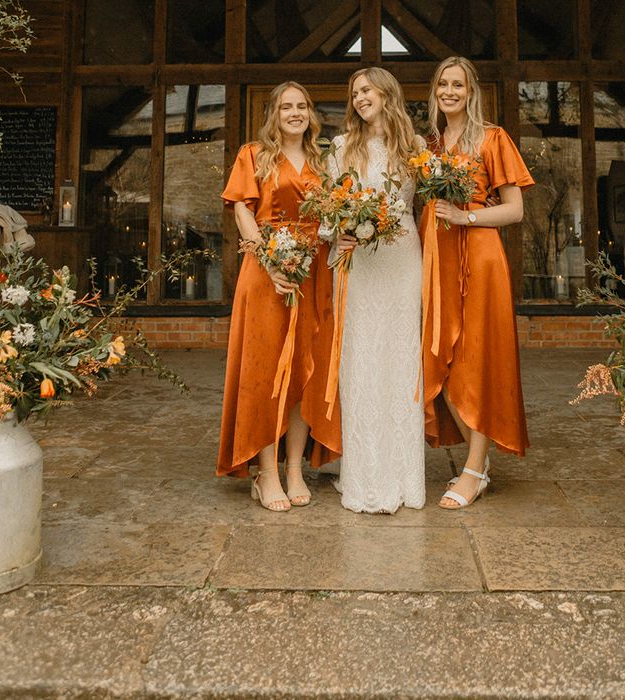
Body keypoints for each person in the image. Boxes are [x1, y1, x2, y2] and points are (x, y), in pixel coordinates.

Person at [216, 81, 340, 511]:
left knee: (306, 372)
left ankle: (293, 468)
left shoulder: (324, 161)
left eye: (302, 105)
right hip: (267, 270)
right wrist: (269, 259)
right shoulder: (253, 154)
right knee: (266, 371)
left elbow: (334, 215)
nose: (295, 112)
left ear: (310, 113)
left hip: (313, 274)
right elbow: (242, 210)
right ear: (273, 113)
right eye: (287, 106)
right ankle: (265, 473)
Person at [420, 56, 534, 509]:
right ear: (434, 91)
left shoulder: (492, 137)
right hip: (438, 262)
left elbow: (515, 209)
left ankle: (472, 469)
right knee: (440, 366)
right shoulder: (429, 144)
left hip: (481, 259)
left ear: (471, 92)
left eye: (458, 85)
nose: (449, 91)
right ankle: (479, 460)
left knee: (478, 362)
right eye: (443, 84)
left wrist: (465, 215)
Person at [328, 67, 425, 513]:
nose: (360, 98)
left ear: (387, 93)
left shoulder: (417, 148)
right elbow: (329, 213)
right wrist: (340, 233)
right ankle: (364, 475)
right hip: (361, 263)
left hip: (403, 256)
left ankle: (405, 476)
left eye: (366, 90)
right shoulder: (341, 147)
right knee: (362, 355)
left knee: (401, 357)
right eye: (355, 93)